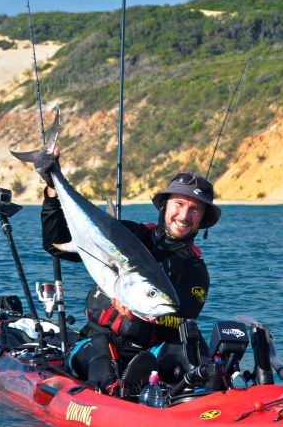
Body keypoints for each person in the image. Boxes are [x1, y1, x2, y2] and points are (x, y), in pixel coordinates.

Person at [40, 155, 221, 395]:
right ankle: (116, 394)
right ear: (164, 205)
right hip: (97, 341)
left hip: (150, 353)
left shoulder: (195, 270)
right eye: (179, 203)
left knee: (194, 350)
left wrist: (141, 318)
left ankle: (210, 402)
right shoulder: (127, 234)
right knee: (102, 363)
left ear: (202, 219)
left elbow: (181, 319)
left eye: (194, 209)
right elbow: (56, 244)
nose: (184, 215)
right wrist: (53, 190)